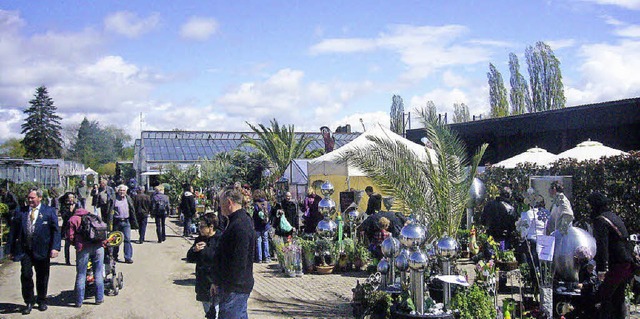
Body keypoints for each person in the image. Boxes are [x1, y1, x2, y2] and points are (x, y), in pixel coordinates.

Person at [7, 188, 61, 314]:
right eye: (29, 197)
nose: (30, 200)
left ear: (40, 198)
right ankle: (29, 301)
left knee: (42, 276)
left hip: (42, 250)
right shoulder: (21, 211)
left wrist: (55, 247)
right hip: (25, 250)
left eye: (32, 197)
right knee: (26, 275)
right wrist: (10, 250)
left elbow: (56, 231)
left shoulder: (49, 211)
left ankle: (41, 300)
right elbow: (13, 231)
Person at [211, 186, 256, 319]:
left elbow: (239, 260)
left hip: (234, 288)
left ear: (229, 202)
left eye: (221, 203)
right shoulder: (235, 221)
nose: (220, 207)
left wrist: (226, 285)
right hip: (233, 287)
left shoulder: (240, 225)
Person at [589, 191, 634, 319]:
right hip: (626, 262)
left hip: (616, 264)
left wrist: (602, 269)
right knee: (618, 298)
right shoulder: (613, 216)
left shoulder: (600, 220)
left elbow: (602, 246)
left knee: (604, 297)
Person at [66, 208, 104, 308]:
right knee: (98, 273)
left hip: (83, 248)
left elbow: (70, 236)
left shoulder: (73, 219)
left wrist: (75, 244)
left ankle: (79, 301)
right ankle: (99, 298)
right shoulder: (93, 217)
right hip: (98, 246)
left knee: (81, 274)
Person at [187, 213, 222, 317]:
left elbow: (219, 260)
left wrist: (208, 248)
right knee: (208, 311)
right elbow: (189, 258)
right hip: (202, 281)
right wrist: (194, 250)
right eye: (199, 226)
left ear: (211, 227)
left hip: (215, 282)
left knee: (215, 311)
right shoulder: (199, 239)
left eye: (202, 226)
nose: (200, 229)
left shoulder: (220, 239)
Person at [111, 184, 138, 263]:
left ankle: (127, 257)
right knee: (115, 240)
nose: (122, 192)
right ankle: (114, 256)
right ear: (118, 191)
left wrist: (134, 223)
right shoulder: (114, 199)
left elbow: (132, 210)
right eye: (120, 190)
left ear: (126, 191)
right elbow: (109, 211)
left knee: (127, 240)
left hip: (126, 221)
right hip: (116, 221)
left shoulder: (128, 199)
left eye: (123, 190)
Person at [59, 192, 81, 265]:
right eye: (70, 197)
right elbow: (64, 217)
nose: (71, 199)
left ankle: (78, 259)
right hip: (67, 226)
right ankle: (67, 260)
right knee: (67, 243)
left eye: (72, 197)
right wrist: (70, 211)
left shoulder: (77, 205)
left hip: (76, 226)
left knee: (77, 243)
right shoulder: (64, 206)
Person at [253, 191, 272, 263]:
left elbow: (254, 214)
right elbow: (270, 212)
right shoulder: (267, 204)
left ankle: (259, 258)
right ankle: (267, 257)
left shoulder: (256, 205)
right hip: (266, 225)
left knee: (258, 241)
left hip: (258, 225)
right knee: (265, 240)